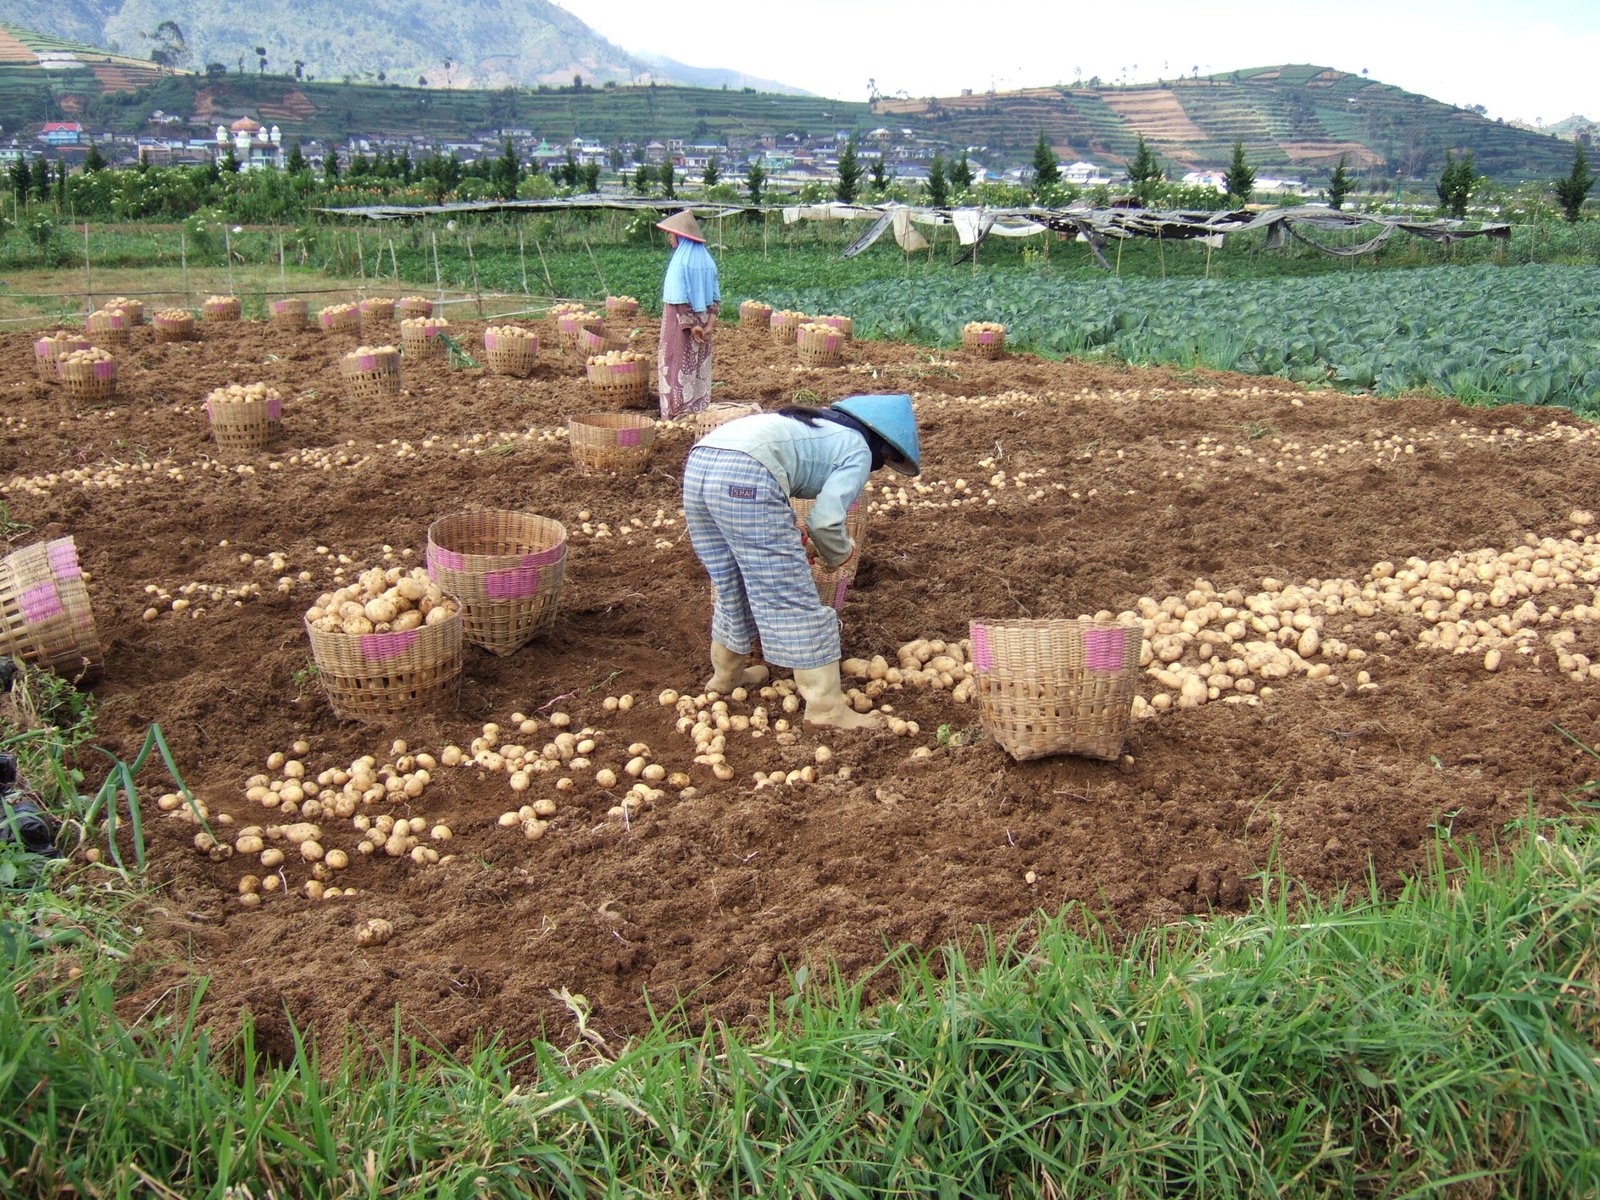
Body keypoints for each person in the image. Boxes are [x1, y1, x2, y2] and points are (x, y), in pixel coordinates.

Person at [683, 394, 921, 730]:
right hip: (746, 475)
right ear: (884, 448)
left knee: (731, 578)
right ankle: (826, 708)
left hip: (701, 464)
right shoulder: (858, 449)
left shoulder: (817, 426)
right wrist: (840, 553)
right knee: (790, 593)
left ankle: (727, 675)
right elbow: (824, 522)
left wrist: (787, 536)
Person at [656, 208, 720, 420]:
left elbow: (678, 299)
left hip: (680, 325)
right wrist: (708, 325)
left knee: (677, 364)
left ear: (680, 236)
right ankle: (698, 410)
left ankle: (676, 413)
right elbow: (715, 299)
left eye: (671, 234)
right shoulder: (708, 261)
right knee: (698, 365)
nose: (669, 238)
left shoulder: (679, 262)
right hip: (703, 322)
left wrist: (692, 326)